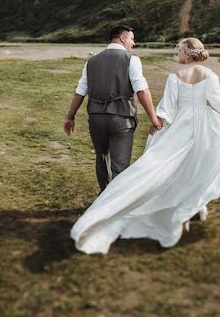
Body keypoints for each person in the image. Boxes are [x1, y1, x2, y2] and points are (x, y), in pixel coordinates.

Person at [70, 37, 220, 254]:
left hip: (181, 125)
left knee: (171, 166)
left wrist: (158, 122)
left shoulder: (176, 75)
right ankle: (193, 207)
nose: (177, 53)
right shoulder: (209, 75)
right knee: (197, 165)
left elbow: (168, 105)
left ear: (188, 53)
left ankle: (187, 208)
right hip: (204, 125)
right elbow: (219, 101)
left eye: (179, 50)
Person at [63, 25, 163, 192]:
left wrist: (70, 117)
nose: (134, 43)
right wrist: (154, 119)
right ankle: (113, 207)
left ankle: (103, 198)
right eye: (132, 38)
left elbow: (80, 91)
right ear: (122, 38)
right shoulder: (132, 60)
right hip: (121, 119)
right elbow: (142, 90)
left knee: (102, 158)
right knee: (120, 165)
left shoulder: (92, 61)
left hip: (96, 118)